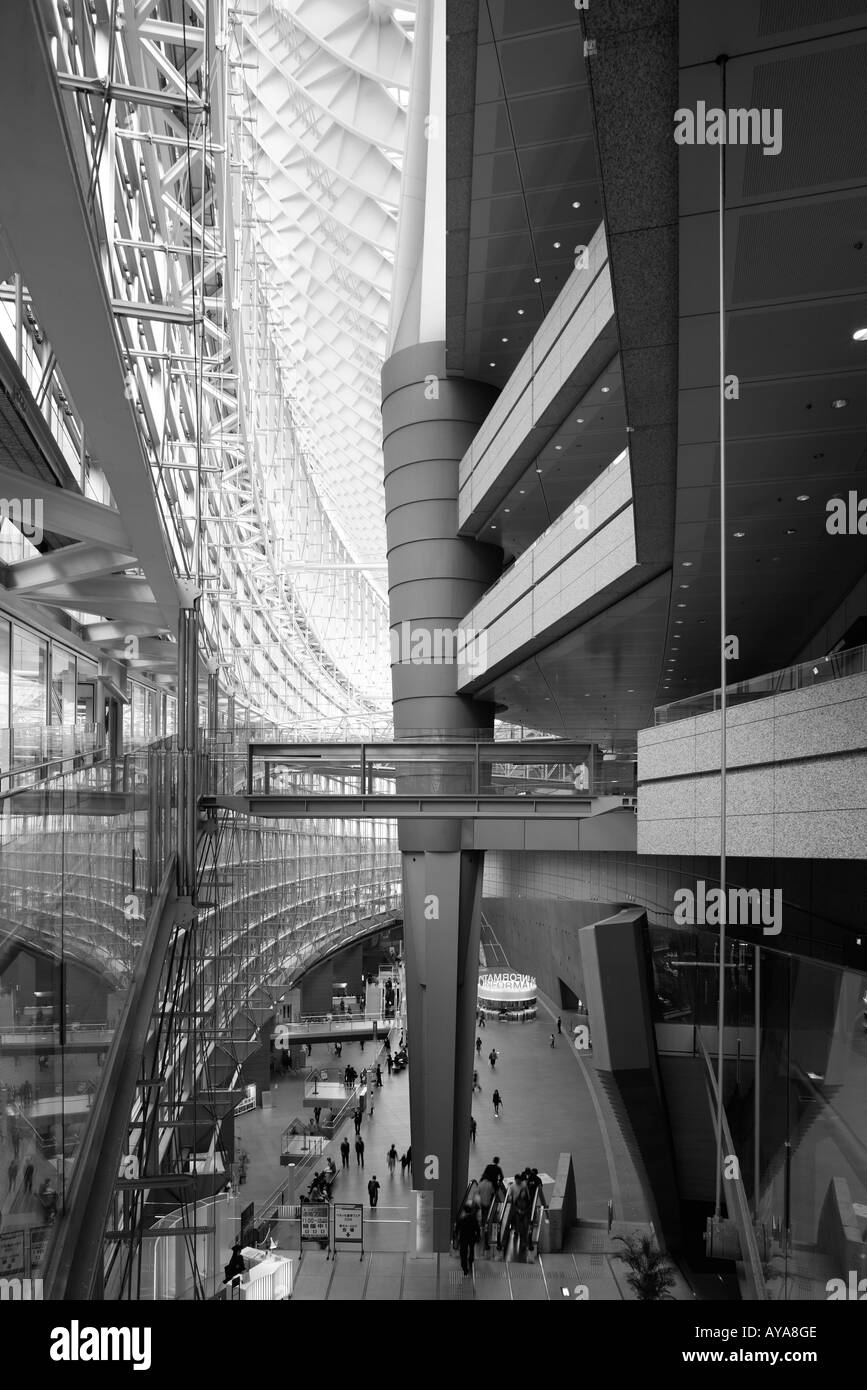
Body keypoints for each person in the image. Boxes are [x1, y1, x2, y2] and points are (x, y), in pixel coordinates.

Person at [455, 1203, 480, 1276]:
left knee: (463, 1253)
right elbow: (477, 1229)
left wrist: (456, 1238)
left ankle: (464, 1268)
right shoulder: (474, 1219)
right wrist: (478, 1237)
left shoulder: (461, 1219)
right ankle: (471, 1262)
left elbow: (456, 1230)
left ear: (464, 1211)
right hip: (472, 1238)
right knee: (471, 1250)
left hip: (463, 1238)